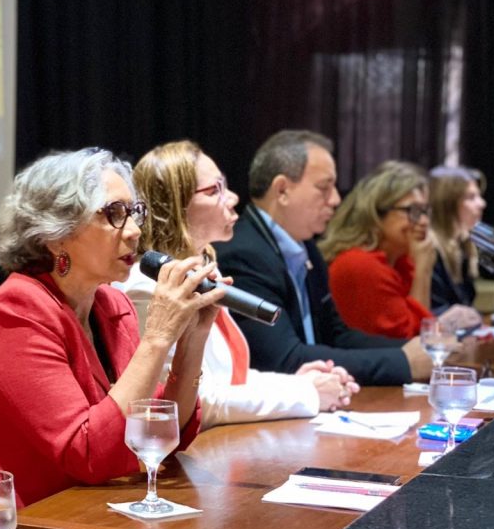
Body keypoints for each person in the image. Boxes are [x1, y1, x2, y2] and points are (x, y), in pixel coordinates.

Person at [0, 147, 225, 509]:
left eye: (134, 214)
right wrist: (158, 336)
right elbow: (89, 454)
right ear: (56, 234)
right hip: (13, 527)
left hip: (91, 509)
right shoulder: (17, 314)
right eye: (114, 214)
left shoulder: (113, 305)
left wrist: (194, 338)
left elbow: (158, 434)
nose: (134, 232)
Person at [117, 139, 359, 424]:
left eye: (226, 186)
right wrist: (307, 393)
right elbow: (191, 404)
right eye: (214, 190)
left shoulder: (207, 272)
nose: (232, 198)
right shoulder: (146, 288)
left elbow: (229, 382)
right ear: (175, 206)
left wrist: (298, 382)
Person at [212, 130, 432, 385]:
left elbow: (336, 336)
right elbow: (285, 360)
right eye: (324, 188)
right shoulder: (244, 255)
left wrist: (411, 349)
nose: (336, 199)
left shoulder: (306, 246)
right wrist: (402, 363)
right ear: (282, 190)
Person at [319, 161, 481, 339]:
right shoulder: (359, 264)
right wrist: (423, 271)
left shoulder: (401, 261)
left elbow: (421, 335)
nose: (424, 221)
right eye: (412, 211)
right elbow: (410, 342)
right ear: (376, 213)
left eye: (425, 211)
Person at [428, 165, 487, 312]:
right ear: (447, 204)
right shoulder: (428, 248)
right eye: (471, 197)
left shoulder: (463, 245)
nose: (482, 204)